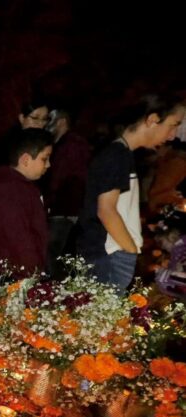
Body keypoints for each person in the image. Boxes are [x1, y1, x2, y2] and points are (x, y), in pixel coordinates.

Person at [78, 94, 185, 293]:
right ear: (152, 120)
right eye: (173, 125)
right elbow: (106, 210)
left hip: (111, 253)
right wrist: (130, 250)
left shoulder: (122, 154)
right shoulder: (116, 155)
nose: (173, 135)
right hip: (109, 254)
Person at [0, 128, 53, 277]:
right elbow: (18, 236)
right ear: (25, 159)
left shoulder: (21, 187)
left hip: (16, 270)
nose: (48, 165)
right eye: (44, 159)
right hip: (14, 273)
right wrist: (33, 272)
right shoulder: (10, 191)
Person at [42, 108, 92, 276]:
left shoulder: (71, 145)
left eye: (50, 120)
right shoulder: (65, 144)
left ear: (62, 121)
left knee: (53, 252)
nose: (45, 124)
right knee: (55, 252)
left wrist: (48, 201)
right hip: (64, 206)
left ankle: (54, 290)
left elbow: (59, 177)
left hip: (64, 207)